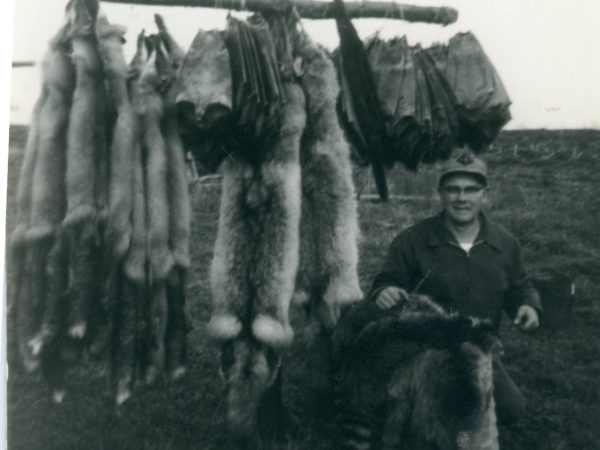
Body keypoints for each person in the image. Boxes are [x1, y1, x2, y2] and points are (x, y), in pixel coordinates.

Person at [367, 148, 542, 424]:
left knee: (510, 409)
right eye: (453, 190)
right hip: (423, 350)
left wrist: (528, 305)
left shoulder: (505, 243)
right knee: (424, 413)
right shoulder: (412, 240)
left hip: (477, 351)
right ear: (440, 193)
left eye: (471, 190)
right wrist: (384, 292)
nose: (462, 198)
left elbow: (520, 286)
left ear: (485, 194)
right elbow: (386, 281)